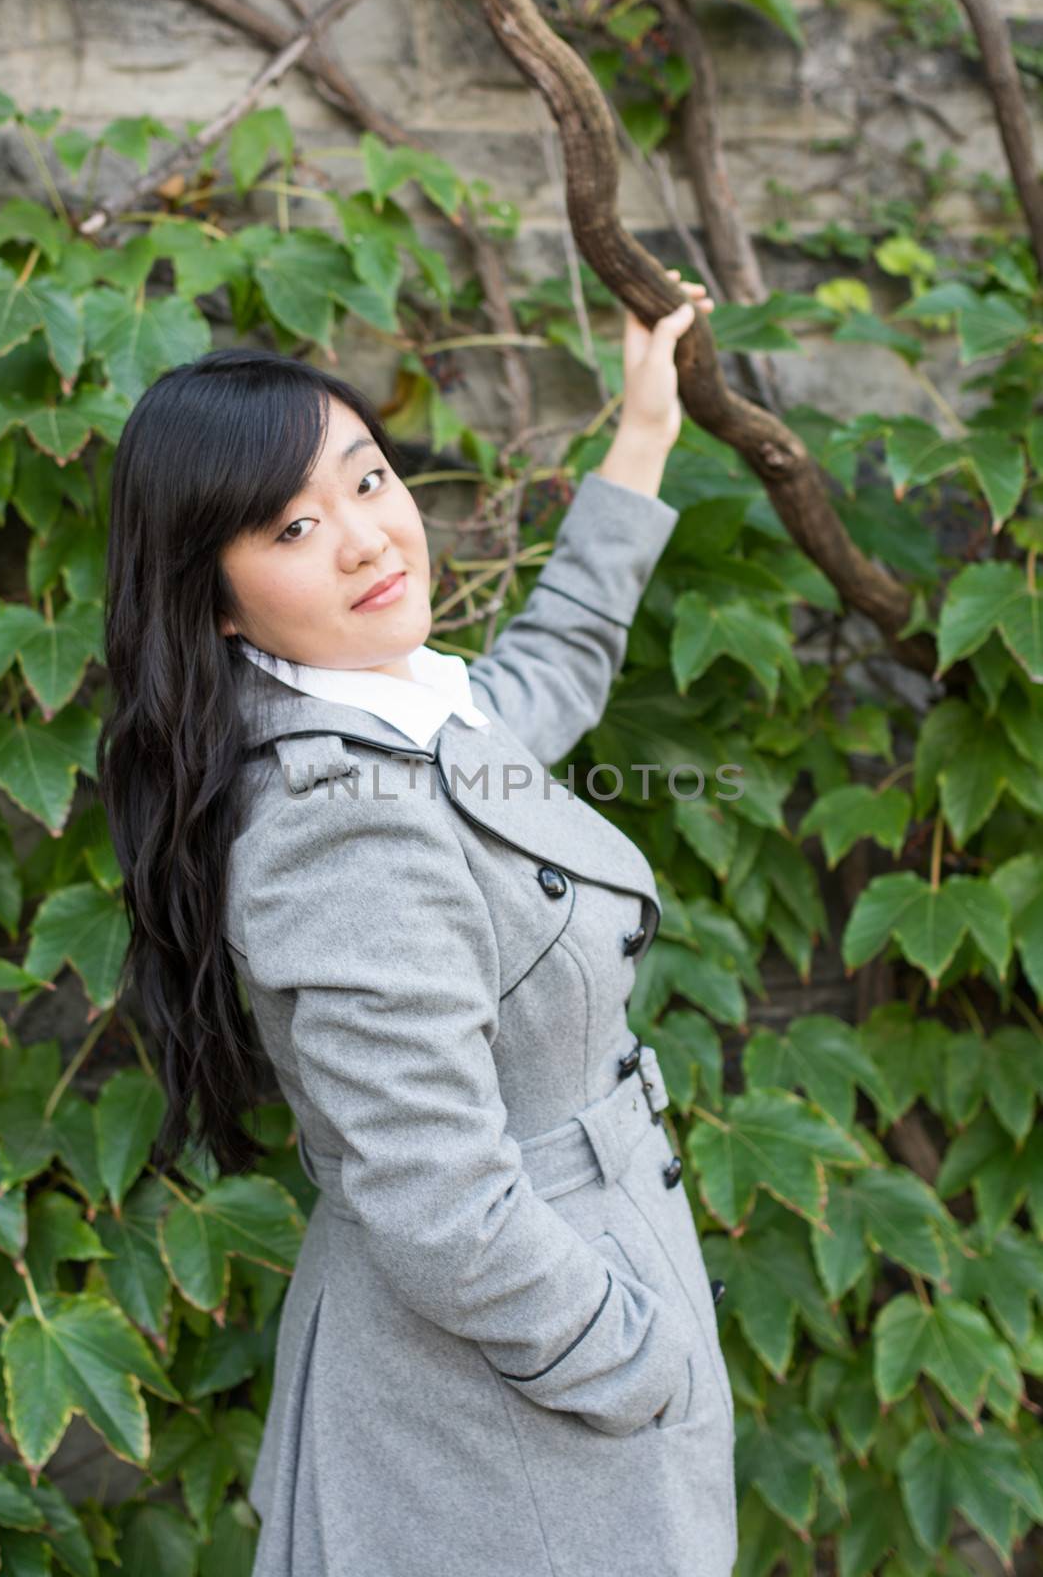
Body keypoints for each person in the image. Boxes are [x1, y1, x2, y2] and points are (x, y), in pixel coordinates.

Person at [99, 269, 738, 1576]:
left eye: (369, 481)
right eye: (288, 529)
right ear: (214, 599)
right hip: (508, 1400)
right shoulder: (348, 817)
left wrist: (646, 430)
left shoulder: (405, 712)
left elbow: (547, 669)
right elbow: (441, 1197)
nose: (366, 539)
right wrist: (631, 1359)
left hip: (541, 1340)